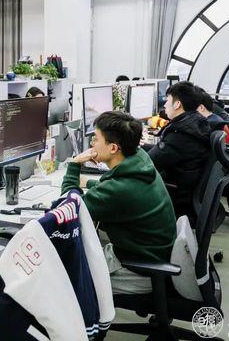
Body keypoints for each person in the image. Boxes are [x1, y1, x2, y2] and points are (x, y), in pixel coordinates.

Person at [61, 111, 176, 294]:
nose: (92, 144)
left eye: (95, 139)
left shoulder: (118, 190)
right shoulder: (140, 158)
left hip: (138, 270)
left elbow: (67, 209)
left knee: (63, 283)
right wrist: (90, 183)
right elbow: (117, 190)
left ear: (113, 148)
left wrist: (74, 165)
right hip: (148, 254)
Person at [148, 81, 211, 219]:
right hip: (186, 188)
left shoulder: (180, 134)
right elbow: (163, 149)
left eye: (167, 100)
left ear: (177, 104)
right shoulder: (195, 123)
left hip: (176, 196)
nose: (165, 105)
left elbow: (147, 163)